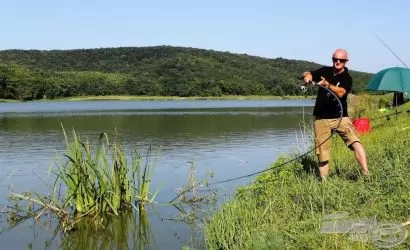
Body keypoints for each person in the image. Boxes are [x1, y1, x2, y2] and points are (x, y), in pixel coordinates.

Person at [302, 48, 369, 179]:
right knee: (322, 152)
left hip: (341, 117)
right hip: (321, 118)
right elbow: (307, 73)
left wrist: (328, 85)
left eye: (341, 60)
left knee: (355, 141)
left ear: (346, 61)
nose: (337, 62)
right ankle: (325, 184)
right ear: (332, 59)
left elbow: (341, 92)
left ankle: (366, 172)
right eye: (335, 59)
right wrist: (308, 76)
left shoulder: (347, 78)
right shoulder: (324, 71)